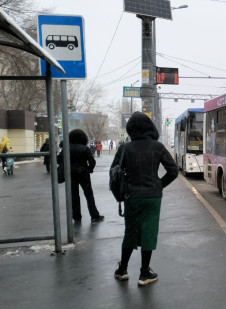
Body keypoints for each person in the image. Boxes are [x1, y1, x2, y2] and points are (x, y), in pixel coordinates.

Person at [112, 112, 178, 286]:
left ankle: (123, 269)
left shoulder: (125, 148)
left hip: (131, 196)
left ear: (130, 129)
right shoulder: (158, 147)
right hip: (152, 197)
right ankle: (144, 273)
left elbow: (114, 173)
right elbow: (173, 171)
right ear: (150, 127)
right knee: (149, 231)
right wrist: (158, 185)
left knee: (130, 231)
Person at [57, 129, 104, 223]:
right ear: (83, 138)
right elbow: (92, 161)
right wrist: (89, 169)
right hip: (83, 174)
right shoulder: (84, 148)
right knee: (89, 195)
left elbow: (58, 160)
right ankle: (94, 215)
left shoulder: (66, 148)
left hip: (71, 174)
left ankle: (77, 216)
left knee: (74, 196)